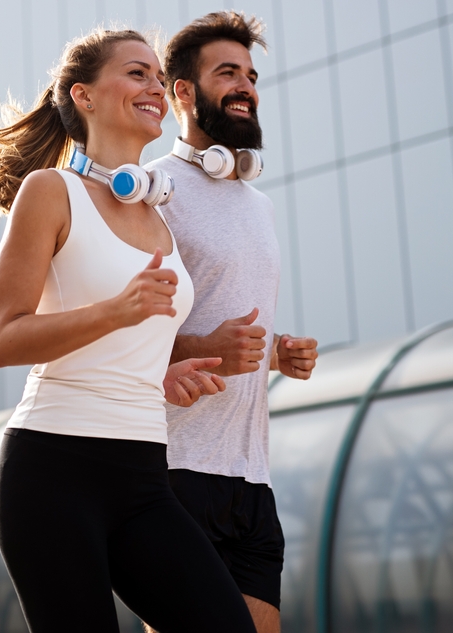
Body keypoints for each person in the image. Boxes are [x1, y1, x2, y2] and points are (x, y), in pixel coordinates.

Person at [0, 28, 258, 633]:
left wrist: (162, 370)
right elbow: (3, 339)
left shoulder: (158, 215)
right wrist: (116, 312)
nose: (155, 85)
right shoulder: (50, 192)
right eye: (136, 72)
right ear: (85, 96)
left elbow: (127, 347)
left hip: (144, 477)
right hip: (53, 470)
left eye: (158, 75)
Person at [145, 12, 320, 633]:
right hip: (173, 471)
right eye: (228, 73)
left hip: (251, 476)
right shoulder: (152, 190)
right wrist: (205, 346)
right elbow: (117, 332)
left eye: (250, 74)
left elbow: (229, 317)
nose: (245, 85)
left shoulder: (260, 205)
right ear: (182, 92)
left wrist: (278, 350)